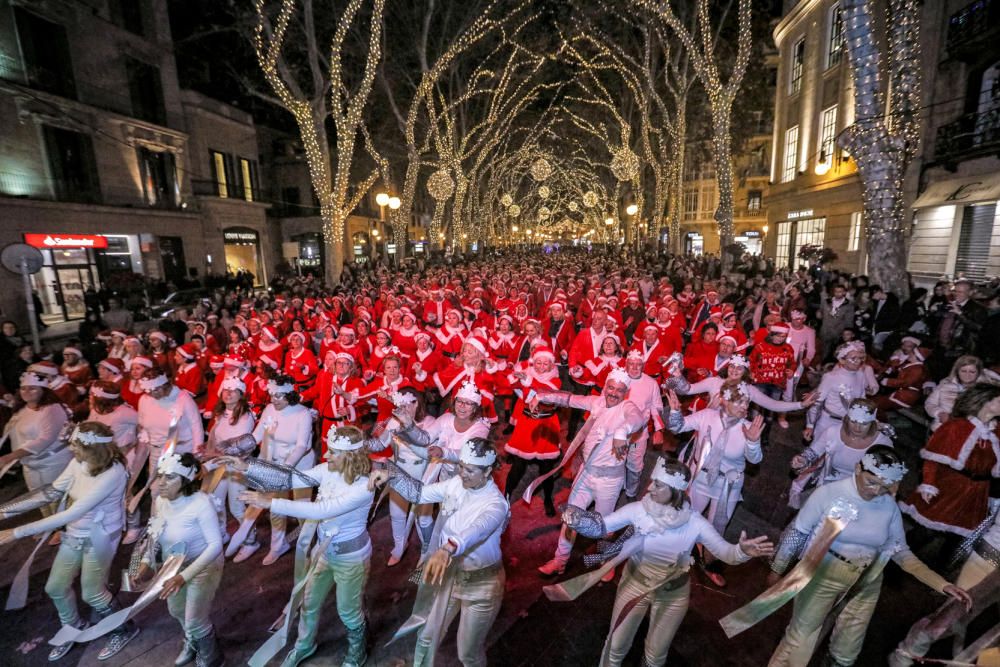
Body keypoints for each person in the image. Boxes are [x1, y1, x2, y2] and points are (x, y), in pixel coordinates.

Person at [554, 458, 774, 667]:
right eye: (652, 482)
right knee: (616, 646)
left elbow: (727, 554)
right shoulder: (638, 510)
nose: (650, 488)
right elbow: (601, 527)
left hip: (673, 596)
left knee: (655, 656)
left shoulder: (695, 522)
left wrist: (742, 551)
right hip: (634, 585)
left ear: (676, 491)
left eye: (658, 485)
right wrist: (578, 519)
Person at [765, 446, 971, 666]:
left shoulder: (889, 507)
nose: (876, 491)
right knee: (798, 642)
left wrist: (942, 584)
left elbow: (901, 552)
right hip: (822, 574)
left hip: (867, 581)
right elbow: (797, 533)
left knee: (847, 651)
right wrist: (777, 570)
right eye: (871, 482)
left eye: (884, 486)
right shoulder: (829, 494)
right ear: (857, 468)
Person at [237, 426, 374, 667]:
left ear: (350, 456)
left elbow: (321, 510)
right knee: (309, 602)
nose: (326, 456)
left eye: (332, 452)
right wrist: (247, 467)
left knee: (348, 611)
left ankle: (357, 651)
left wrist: (270, 503)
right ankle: (304, 644)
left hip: (351, 559)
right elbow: (290, 477)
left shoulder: (364, 487)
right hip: (324, 553)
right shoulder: (327, 470)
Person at [0, 422, 134, 662]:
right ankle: (74, 628)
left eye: (75, 445)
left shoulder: (113, 473)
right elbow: (51, 492)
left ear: (93, 448)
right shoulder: (78, 462)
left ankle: (124, 629)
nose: (71, 449)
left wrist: (15, 532)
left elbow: (70, 513)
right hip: (75, 534)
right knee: (55, 587)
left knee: (92, 593)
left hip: (100, 537)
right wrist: (4, 511)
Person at [370, 437, 509, 667]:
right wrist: (392, 475)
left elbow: (476, 530)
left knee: (468, 654)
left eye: (470, 470)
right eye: (461, 466)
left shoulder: (495, 504)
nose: (463, 473)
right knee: (426, 635)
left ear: (487, 472)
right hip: (451, 577)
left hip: (481, 587)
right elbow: (419, 494)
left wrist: (447, 548)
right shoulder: (455, 483)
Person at [530, 368, 647, 576]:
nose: (613, 393)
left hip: (609, 479)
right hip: (586, 473)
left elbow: (638, 419)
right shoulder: (597, 402)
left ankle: (605, 562)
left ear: (625, 393)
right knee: (570, 517)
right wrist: (541, 395)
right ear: (605, 387)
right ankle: (560, 560)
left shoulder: (628, 407)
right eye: (610, 387)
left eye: (619, 390)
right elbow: (570, 399)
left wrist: (622, 431)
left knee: (604, 525)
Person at [130, 452, 224, 667]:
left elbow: (215, 545)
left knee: (195, 619)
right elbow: (154, 535)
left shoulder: (200, 504)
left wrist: (184, 577)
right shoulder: (160, 501)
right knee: (176, 610)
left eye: (170, 477)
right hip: (172, 567)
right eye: (161, 475)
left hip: (204, 566)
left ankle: (212, 656)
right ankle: (192, 641)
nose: (161, 482)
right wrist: (144, 565)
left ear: (185, 480)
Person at [899, 383, 1000, 549]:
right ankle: (898, 563)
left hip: (977, 492)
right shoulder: (956, 427)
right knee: (925, 532)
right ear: (985, 402)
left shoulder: (996, 430)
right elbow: (932, 457)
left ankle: (939, 571)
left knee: (957, 539)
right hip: (950, 486)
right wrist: (928, 484)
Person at [248, 374, 315, 565]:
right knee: (276, 507)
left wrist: (285, 468)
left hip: (299, 464)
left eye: (279, 397)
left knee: (301, 507)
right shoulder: (269, 409)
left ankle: (306, 547)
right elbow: (257, 434)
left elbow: (301, 446)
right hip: (275, 463)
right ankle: (277, 546)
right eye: (272, 395)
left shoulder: (303, 414)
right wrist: (240, 447)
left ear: (290, 396)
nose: (273, 400)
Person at [788, 399, 894, 508]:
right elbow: (813, 452)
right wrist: (802, 460)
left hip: (859, 494)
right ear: (847, 418)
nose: (857, 428)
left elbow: (886, 478)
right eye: (853, 421)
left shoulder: (883, 443)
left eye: (864, 423)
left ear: (872, 422)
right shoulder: (833, 432)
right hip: (828, 486)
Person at [503, 346, 563, 516]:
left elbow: (546, 391)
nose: (541, 366)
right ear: (533, 362)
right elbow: (508, 383)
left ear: (551, 365)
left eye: (545, 363)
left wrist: (528, 380)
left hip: (546, 425)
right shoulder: (527, 375)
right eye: (538, 362)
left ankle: (548, 499)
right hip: (527, 423)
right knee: (518, 466)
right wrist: (514, 375)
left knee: (546, 468)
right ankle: (505, 496)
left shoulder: (555, 380)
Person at [0, 372, 72, 510]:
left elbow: (45, 439)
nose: (26, 392)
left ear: (43, 391)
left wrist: (10, 457)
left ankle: (62, 529)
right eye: (23, 388)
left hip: (53, 463)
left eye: (32, 388)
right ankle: (50, 529)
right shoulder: (21, 409)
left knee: (58, 502)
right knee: (39, 501)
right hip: (30, 464)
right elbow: (11, 433)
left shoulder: (53, 409)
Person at [804, 341, 878, 441]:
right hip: (829, 422)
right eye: (853, 358)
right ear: (842, 360)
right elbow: (816, 403)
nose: (858, 361)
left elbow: (862, 399)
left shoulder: (860, 375)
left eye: (860, 358)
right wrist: (810, 425)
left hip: (848, 424)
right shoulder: (831, 377)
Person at [924, 355, 985, 431]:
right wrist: (939, 413)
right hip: (941, 429)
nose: (967, 375)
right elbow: (930, 403)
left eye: (972, 372)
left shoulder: (983, 390)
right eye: (963, 371)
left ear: (978, 373)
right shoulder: (945, 385)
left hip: (968, 433)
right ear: (957, 371)